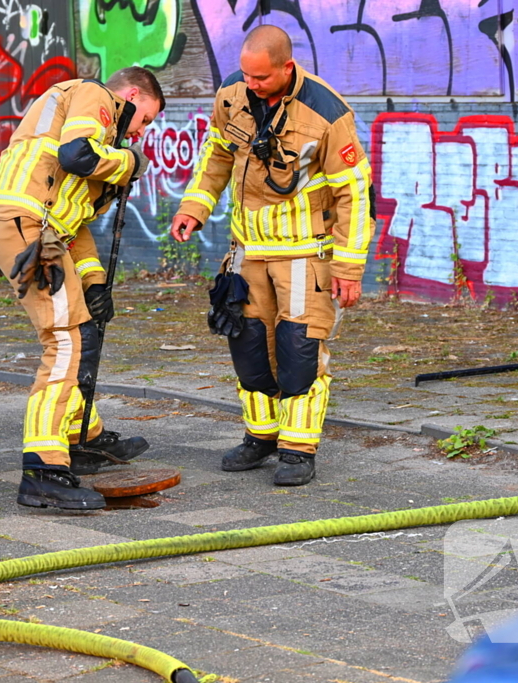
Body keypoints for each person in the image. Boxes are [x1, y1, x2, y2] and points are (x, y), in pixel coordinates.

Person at [170, 25, 373, 487]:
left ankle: (298, 450)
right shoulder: (232, 95)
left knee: (299, 353)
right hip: (248, 253)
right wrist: (193, 208)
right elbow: (216, 157)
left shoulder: (326, 111)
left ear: (286, 67)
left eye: (260, 78)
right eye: (245, 75)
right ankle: (260, 437)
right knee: (248, 347)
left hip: (305, 255)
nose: (251, 85)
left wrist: (348, 268)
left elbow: (355, 194)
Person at [0, 67, 164, 510]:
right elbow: (78, 155)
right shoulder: (94, 96)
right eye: (146, 120)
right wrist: (129, 165)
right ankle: (43, 469)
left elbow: (74, 224)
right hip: (28, 228)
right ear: (133, 96)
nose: (140, 133)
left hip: (40, 230)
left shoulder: (101, 131)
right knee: (65, 341)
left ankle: (85, 435)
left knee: (78, 332)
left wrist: (95, 281)